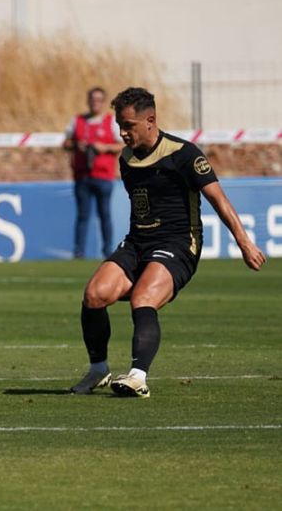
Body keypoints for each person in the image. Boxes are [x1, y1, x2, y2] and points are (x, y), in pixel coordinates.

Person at [70, 87, 266, 398]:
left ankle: (137, 377)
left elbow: (217, 198)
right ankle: (98, 369)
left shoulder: (184, 154)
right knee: (94, 295)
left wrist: (244, 243)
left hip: (178, 242)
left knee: (143, 298)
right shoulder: (126, 158)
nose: (122, 133)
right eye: (119, 125)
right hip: (137, 241)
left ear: (150, 120)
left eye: (128, 126)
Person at [63, 87, 124, 258]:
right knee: (83, 215)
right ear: (88, 100)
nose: (95, 103)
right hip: (82, 175)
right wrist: (77, 145)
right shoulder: (77, 121)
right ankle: (79, 251)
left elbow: (122, 144)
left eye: (98, 100)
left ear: (103, 102)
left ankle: (107, 250)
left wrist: (104, 148)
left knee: (104, 214)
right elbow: (66, 143)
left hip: (104, 175)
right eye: (92, 99)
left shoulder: (111, 121)